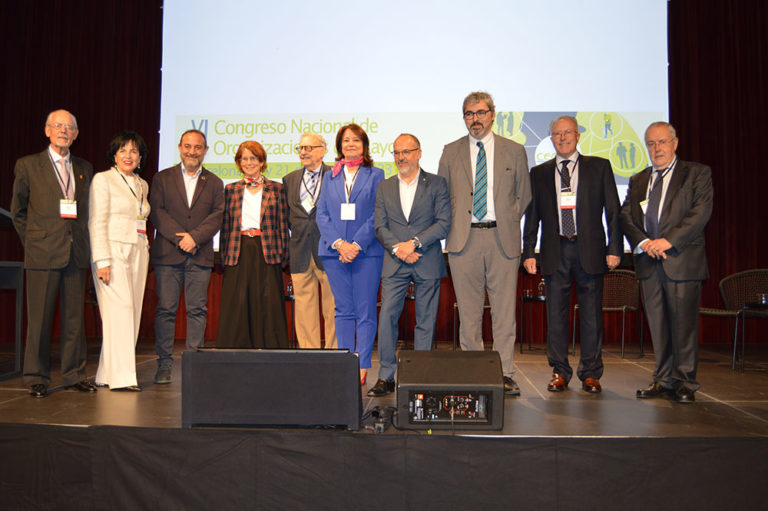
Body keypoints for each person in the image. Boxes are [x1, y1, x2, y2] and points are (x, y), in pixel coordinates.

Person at [437, 91, 531, 396]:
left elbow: (524, 195)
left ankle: (504, 373)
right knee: (469, 314)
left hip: (502, 239)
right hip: (463, 241)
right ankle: (473, 371)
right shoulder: (450, 151)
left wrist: (507, 218)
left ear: (492, 114)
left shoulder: (514, 150)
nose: (474, 119)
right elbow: (442, 196)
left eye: (480, 112)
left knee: (504, 313)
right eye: (469, 113)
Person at [523, 116, 622, 394]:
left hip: (590, 250)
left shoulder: (599, 167)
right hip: (555, 250)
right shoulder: (539, 173)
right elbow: (532, 217)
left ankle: (590, 373)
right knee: (556, 316)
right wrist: (529, 252)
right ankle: (559, 371)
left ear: (578, 136)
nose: (563, 137)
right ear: (551, 138)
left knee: (591, 316)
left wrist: (615, 248)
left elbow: (613, 211)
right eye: (557, 134)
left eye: (568, 132)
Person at [620, 121, 713, 403]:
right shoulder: (638, 179)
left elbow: (700, 212)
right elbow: (626, 216)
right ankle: (662, 379)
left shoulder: (696, 173)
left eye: (662, 142)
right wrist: (645, 242)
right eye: (651, 143)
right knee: (658, 326)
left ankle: (685, 382)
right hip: (649, 262)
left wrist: (667, 241)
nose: (656, 148)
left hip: (681, 260)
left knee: (683, 326)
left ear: (675, 143)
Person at [10, 109, 96, 397]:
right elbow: (18, 211)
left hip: (75, 252)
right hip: (42, 252)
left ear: (76, 134)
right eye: (58, 126)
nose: (63, 131)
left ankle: (74, 375)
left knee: (74, 321)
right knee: (40, 320)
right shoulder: (28, 165)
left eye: (69, 127)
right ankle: (36, 376)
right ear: (47, 130)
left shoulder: (84, 168)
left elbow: (87, 212)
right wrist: (34, 241)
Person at [368, 134, 451, 397]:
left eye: (406, 151)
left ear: (419, 153)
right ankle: (386, 376)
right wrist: (399, 249)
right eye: (396, 152)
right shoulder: (384, 187)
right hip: (395, 261)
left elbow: (443, 223)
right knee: (387, 317)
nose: (401, 157)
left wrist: (413, 244)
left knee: (425, 321)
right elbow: (379, 226)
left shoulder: (437, 183)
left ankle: (419, 376)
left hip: (426, 259)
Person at [149, 129, 224, 384]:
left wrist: (195, 238)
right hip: (168, 255)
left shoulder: (214, 182)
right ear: (180, 148)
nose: (192, 151)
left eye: (198, 147)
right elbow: (157, 212)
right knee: (166, 310)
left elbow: (217, 215)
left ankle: (194, 365)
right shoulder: (162, 178)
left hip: (200, 255)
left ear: (206, 150)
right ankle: (164, 364)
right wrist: (181, 238)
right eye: (188, 146)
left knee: (197, 310)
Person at [316, 123, 385, 386]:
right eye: (346, 140)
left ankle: (363, 363)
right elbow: (322, 214)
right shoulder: (330, 176)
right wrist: (339, 244)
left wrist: (355, 244)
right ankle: (346, 361)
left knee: (365, 310)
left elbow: (377, 213)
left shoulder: (376, 174)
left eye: (356, 140)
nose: (351, 144)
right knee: (343, 309)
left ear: (364, 145)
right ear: (339, 146)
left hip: (366, 253)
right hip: (334, 253)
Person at [89, 130, 151, 391]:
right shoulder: (103, 180)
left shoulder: (142, 184)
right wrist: (102, 259)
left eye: (134, 151)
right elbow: (97, 220)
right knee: (120, 312)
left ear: (140, 157)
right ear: (114, 155)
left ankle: (106, 374)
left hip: (138, 250)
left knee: (131, 312)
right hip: (112, 251)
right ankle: (123, 378)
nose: (128, 155)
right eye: (122, 150)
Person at [217, 141, 290, 348]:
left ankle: (270, 349)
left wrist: (284, 256)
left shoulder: (277, 189)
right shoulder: (230, 189)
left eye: (253, 158)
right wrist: (224, 256)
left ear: (262, 162)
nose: (249, 163)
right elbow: (225, 226)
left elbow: (282, 225)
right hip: (238, 249)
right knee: (238, 302)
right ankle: (236, 350)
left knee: (268, 302)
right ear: (239, 163)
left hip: (267, 250)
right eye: (244, 159)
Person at [283, 133, 337, 349]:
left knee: (333, 308)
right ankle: (309, 354)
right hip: (300, 251)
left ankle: (334, 353)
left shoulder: (336, 175)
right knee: (304, 309)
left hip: (330, 251)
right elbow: (288, 217)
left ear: (323, 150)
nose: (304, 152)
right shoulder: (289, 179)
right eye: (301, 148)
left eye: (309, 148)